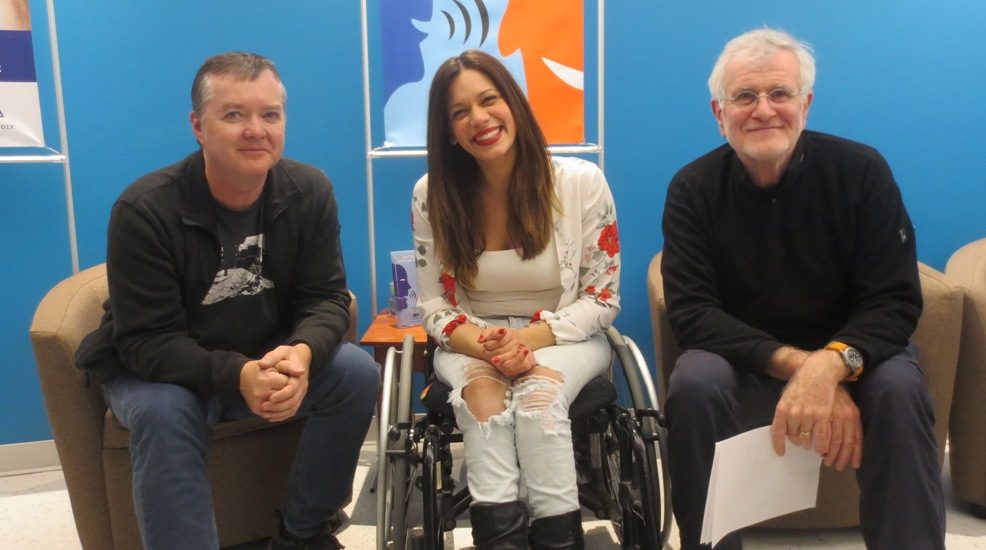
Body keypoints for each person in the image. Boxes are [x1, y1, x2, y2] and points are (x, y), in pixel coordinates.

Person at [75, 52, 380, 550]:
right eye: (234, 115)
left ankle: (303, 532)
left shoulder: (310, 191)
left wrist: (300, 353)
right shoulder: (145, 208)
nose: (255, 130)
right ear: (198, 126)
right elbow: (146, 342)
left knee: (356, 373)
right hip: (160, 370)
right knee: (165, 411)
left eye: (270, 115)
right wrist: (239, 375)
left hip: (263, 351)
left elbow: (325, 298)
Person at [660, 28, 945, 550]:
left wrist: (833, 365)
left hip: (858, 358)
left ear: (805, 103)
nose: (763, 109)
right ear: (719, 114)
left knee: (899, 388)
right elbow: (694, 313)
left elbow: (894, 299)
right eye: (745, 96)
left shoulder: (862, 172)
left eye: (779, 93)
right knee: (695, 381)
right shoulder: (692, 189)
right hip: (747, 365)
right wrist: (804, 369)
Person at [412, 49, 620, 549]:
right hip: (473, 342)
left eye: (490, 100)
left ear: (515, 104)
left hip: (566, 336)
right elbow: (435, 310)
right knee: (484, 401)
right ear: (447, 132)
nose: (479, 119)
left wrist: (526, 340)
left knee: (538, 401)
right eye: (459, 112)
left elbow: (603, 297)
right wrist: (490, 346)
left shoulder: (579, 184)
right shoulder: (431, 195)